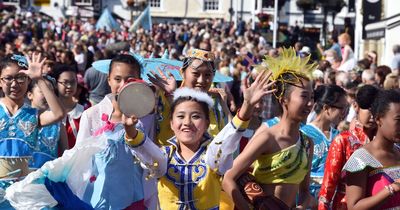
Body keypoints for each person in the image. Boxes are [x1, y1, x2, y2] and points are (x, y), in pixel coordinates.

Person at [6, 54, 162, 210]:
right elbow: (77, 161)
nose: (122, 85)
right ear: (108, 80)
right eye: (117, 79)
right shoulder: (92, 115)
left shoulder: (147, 118)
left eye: (129, 79)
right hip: (95, 200)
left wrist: (134, 135)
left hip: (134, 201)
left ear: (138, 79)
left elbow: (156, 165)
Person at [126, 69, 275, 209]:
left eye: (196, 116)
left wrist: (247, 106)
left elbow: (228, 138)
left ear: (206, 124)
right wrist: (130, 130)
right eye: (180, 116)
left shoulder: (212, 156)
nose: (187, 122)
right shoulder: (164, 157)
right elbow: (145, 149)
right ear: (171, 123)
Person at [222, 48, 317, 209]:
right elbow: (228, 178)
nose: (309, 103)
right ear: (283, 99)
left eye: (312, 97)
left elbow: (305, 192)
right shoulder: (267, 138)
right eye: (304, 96)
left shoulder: (307, 143)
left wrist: (303, 206)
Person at [0, 54, 65, 208]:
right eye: (8, 78)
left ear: (28, 80)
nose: (15, 84)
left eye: (21, 78)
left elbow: (58, 114)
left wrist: (39, 79)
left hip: (24, 195)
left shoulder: (33, 115)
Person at [319, 85, 380, 210]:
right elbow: (327, 189)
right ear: (356, 106)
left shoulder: (384, 143)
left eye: (376, 109)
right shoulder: (343, 141)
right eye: (368, 109)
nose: (372, 115)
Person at [343, 89, 400, 209]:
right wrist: (391, 189)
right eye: (398, 120)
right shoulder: (361, 159)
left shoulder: (398, 152)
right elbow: (353, 207)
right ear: (379, 119)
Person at [300, 84, 348, 198]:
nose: (344, 113)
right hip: (308, 199)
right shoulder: (304, 134)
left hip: (331, 199)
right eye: (341, 108)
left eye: (346, 108)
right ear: (326, 108)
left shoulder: (339, 136)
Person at [50, 64, 84, 149]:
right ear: (55, 84)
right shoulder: (48, 113)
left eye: (73, 82)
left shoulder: (84, 112)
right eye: (65, 82)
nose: (69, 86)